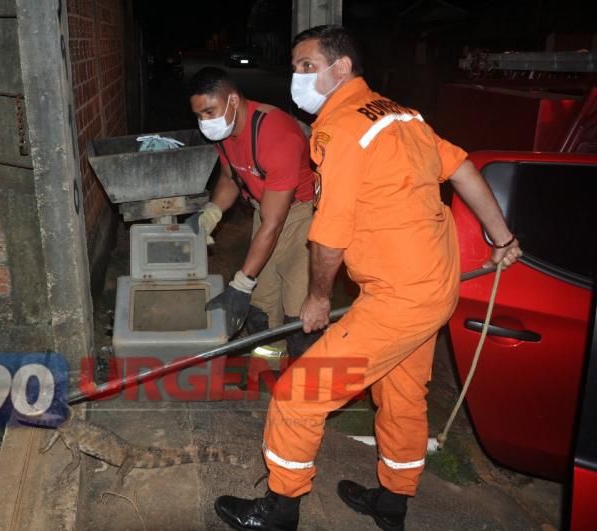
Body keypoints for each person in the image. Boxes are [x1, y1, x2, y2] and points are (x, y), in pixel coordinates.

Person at [213, 26, 523, 531]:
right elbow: (462, 167)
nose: (297, 76)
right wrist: (501, 239)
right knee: (401, 395)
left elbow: (329, 234)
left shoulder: (340, 131)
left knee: (299, 396)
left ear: (342, 68)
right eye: (295, 67)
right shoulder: (401, 114)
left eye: (306, 66)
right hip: (434, 288)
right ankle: (392, 503)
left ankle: (279, 509)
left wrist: (316, 297)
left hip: (399, 297)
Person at [188, 67, 320, 359]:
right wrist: (211, 212)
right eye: (199, 116)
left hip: (303, 216)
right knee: (262, 297)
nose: (205, 122)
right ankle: (269, 359)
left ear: (233, 100)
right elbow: (230, 177)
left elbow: (275, 223)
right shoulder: (225, 133)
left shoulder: (276, 135)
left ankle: (303, 373)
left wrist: (240, 283)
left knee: (297, 303)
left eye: (210, 111)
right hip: (266, 207)